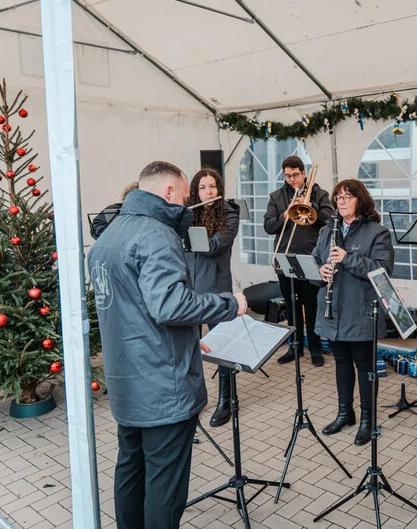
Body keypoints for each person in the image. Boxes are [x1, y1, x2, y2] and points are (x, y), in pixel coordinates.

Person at [88, 161, 248, 529]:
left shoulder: (109, 235)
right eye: (187, 195)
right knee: (165, 482)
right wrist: (231, 304)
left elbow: (133, 307)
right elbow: (170, 305)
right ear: (170, 193)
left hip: (126, 378)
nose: (189, 203)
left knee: (131, 467)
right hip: (162, 382)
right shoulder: (156, 235)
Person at [313, 179, 393, 446]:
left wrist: (348, 258)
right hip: (333, 310)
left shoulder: (377, 232)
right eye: (338, 197)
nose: (341, 201)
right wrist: (320, 271)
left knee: (364, 365)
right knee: (341, 363)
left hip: (360, 311)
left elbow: (382, 270)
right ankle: (345, 413)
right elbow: (316, 257)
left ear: (361, 199)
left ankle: (368, 421)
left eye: (348, 196)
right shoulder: (328, 230)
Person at [183, 168, 241, 428]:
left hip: (217, 290)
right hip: (189, 290)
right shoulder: (188, 214)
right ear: (196, 191)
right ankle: (195, 398)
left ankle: (226, 401)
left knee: (222, 348)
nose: (208, 192)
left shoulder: (229, 213)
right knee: (189, 346)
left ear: (219, 190)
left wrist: (191, 235)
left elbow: (215, 246)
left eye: (212, 187)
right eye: (203, 187)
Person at [264, 156, 333, 366]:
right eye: (287, 176)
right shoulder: (277, 197)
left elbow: (329, 219)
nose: (292, 180)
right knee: (292, 306)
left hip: (311, 257)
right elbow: (268, 226)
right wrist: (285, 214)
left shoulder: (320, 194)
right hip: (285, 258)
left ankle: (315, 348)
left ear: (304, 173)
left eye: (295, 175)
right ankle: (295, 347)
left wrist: (309, 204)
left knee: (312, 306)